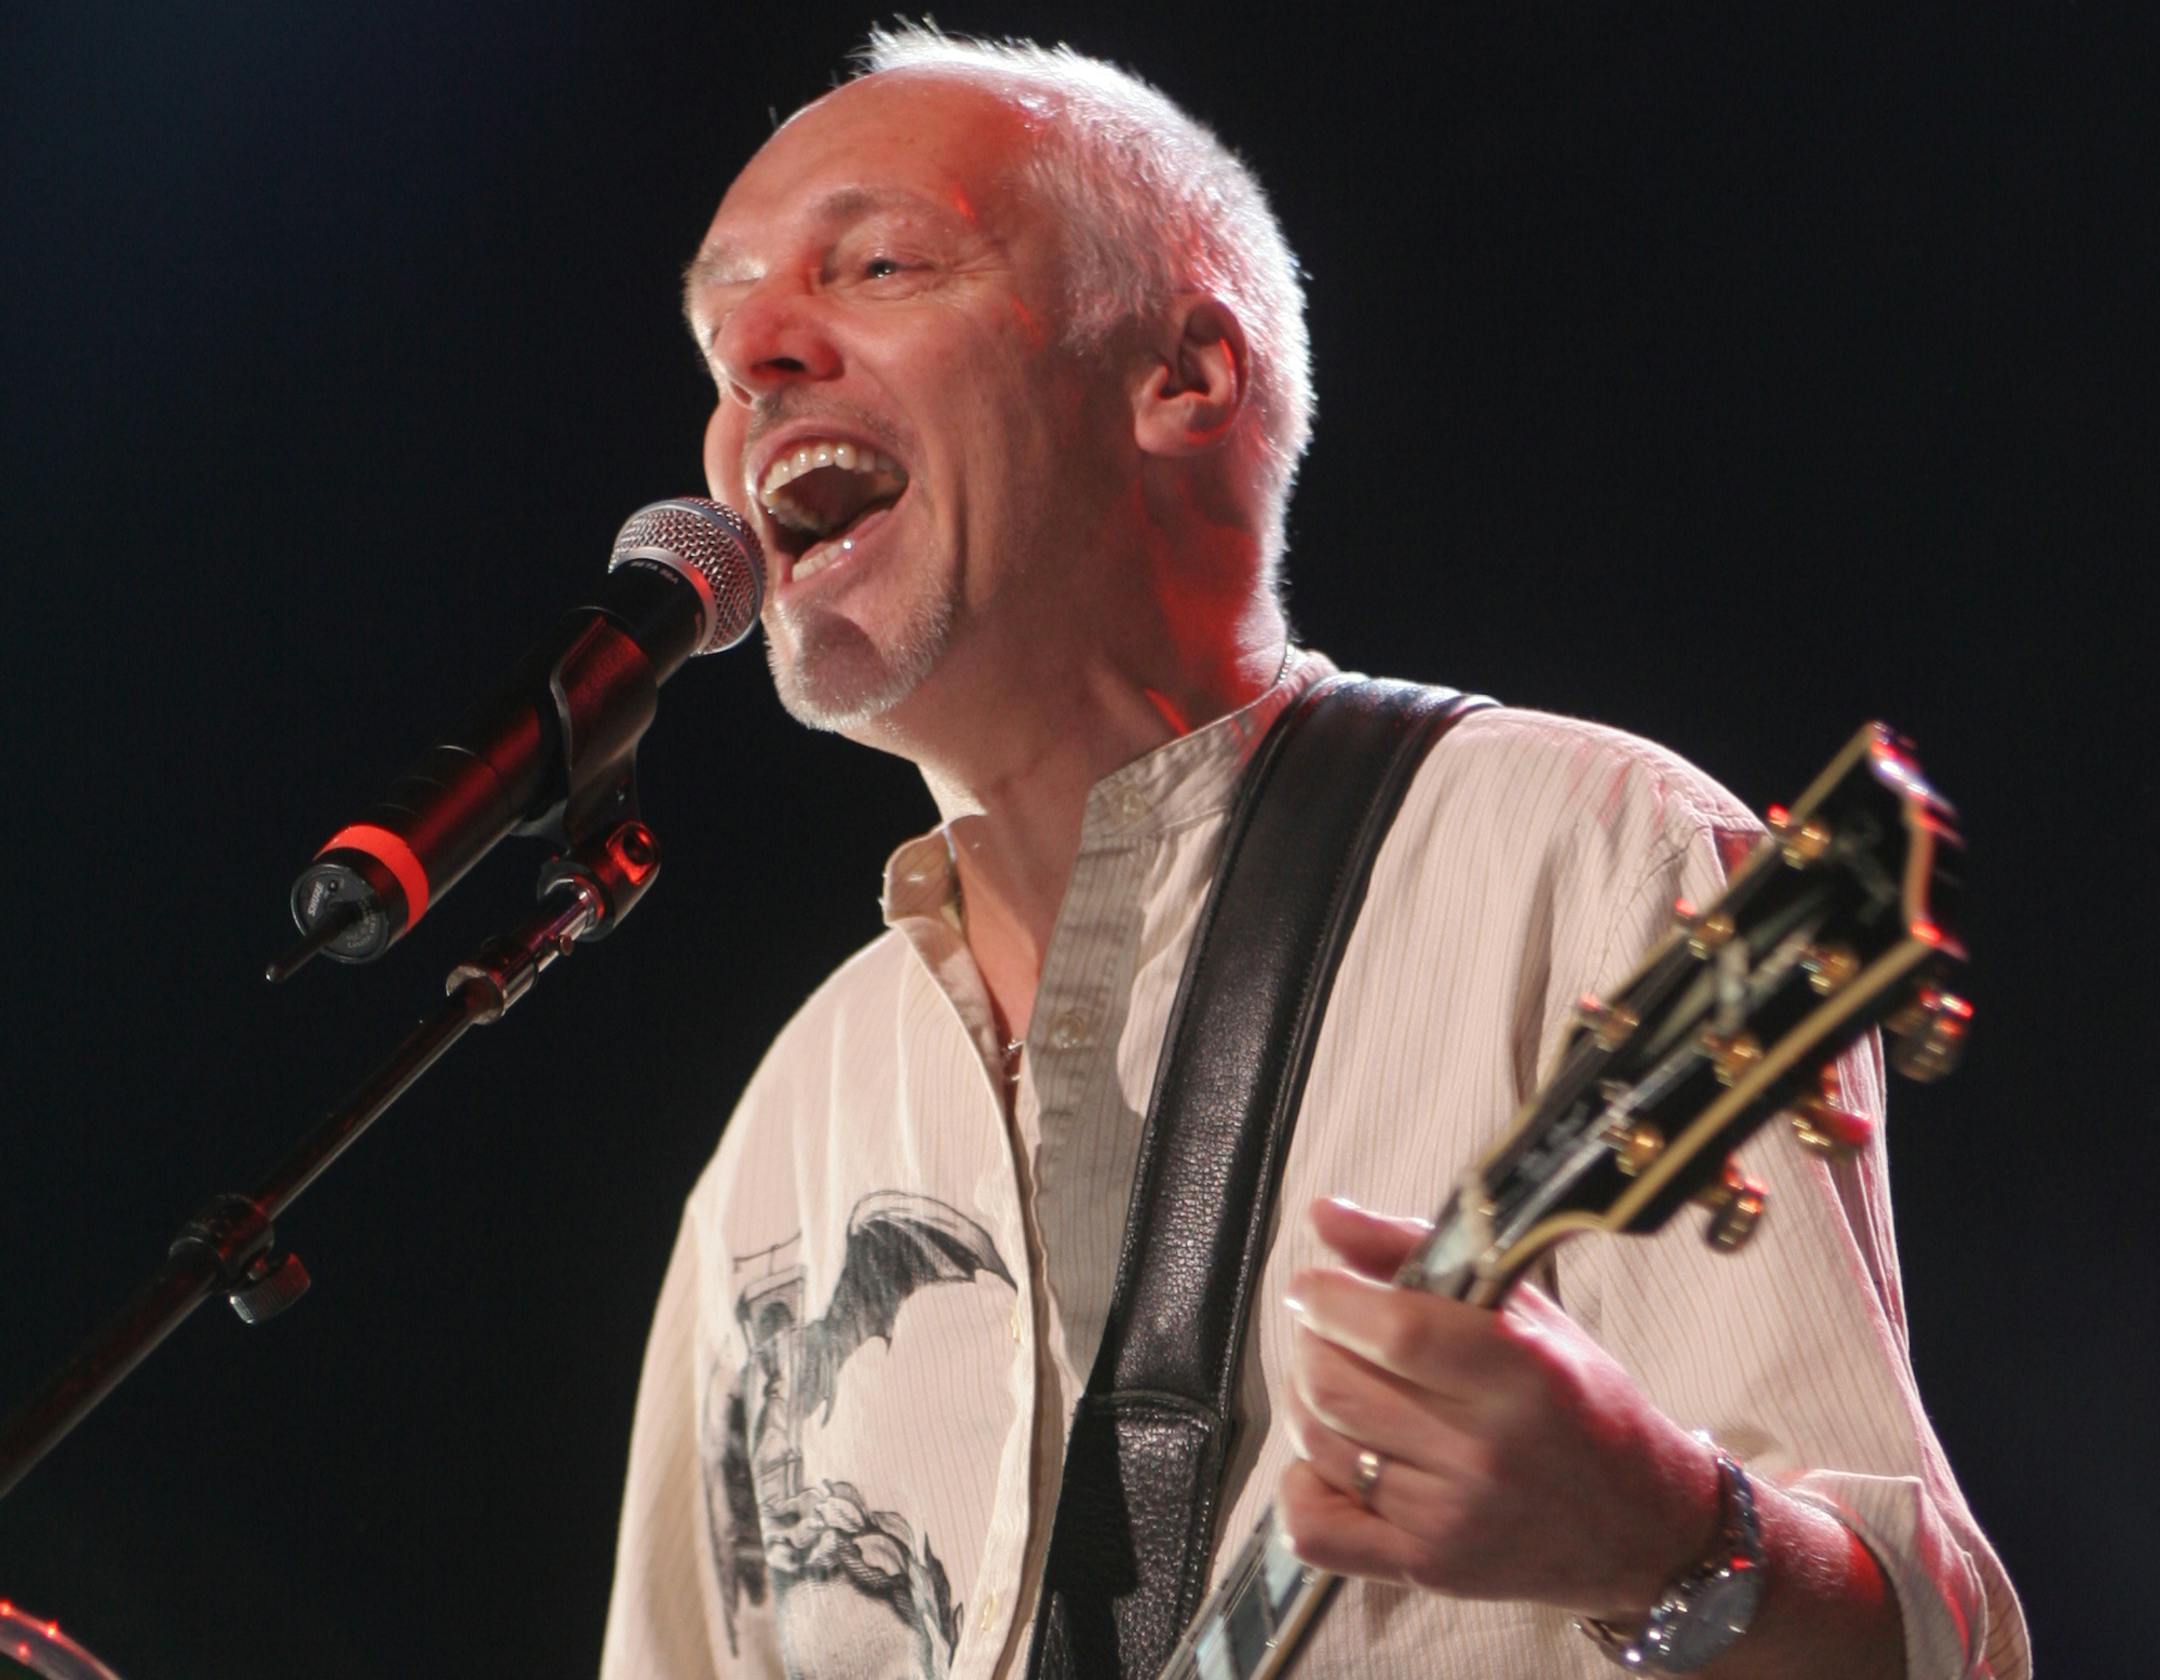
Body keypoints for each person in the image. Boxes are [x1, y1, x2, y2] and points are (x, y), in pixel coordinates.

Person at [602, 26, 2026, 1680]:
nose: (758, 357)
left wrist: (1664, 1541)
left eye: (881, 264)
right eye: (720, 335)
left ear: (1184, 376)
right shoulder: (798, 1113)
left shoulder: (1581, 858)